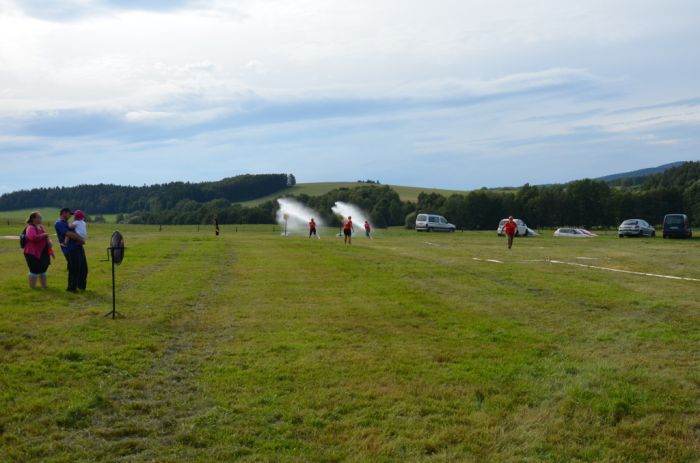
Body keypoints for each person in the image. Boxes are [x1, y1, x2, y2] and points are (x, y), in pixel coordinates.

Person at [55, 208, 87, 292]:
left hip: (78, 247)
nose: (71, 216)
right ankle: (71, 288)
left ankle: (81, 286)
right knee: (74, 268)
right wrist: (81, 240)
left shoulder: (67, 223)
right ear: (64, 213)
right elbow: (69, 234)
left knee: (84, 268)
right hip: (70, 249)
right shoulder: (59, 223)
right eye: (70, 214)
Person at [23, 211, 55, 288]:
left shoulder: (40, 227)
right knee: (34, 270)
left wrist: (50, 242)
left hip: (43, 252)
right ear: (33, 219)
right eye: (39, 217)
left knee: (43, 269)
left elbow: (47, 237)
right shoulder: (30, 227)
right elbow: (33, 238)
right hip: (32, 253)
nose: (41, 219)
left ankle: (44, 286)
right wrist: (44, 235)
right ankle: (32, 287)